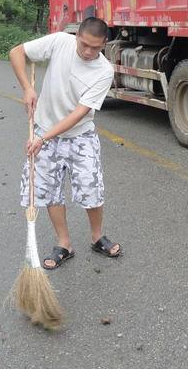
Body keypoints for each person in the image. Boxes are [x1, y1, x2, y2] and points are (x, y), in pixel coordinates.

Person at [9, 17, 120, 269]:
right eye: (84, 45)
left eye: (96, 48)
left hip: (80, 135)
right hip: (44, 129)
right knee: (49, 190)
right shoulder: (60, 42)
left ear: (104, 44)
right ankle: (64, 243)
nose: (88, 52)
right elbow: (16, 52)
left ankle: (96, 236)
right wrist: (27, 88)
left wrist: (43, 138)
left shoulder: (104, 71)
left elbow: (79, 113)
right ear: (76, 36)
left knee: (91, 188)